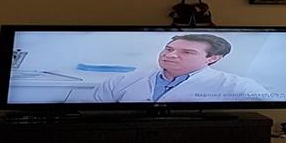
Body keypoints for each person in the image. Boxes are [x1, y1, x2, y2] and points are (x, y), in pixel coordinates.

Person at [92, 34, 271, 103]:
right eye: (169, 49)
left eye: (187, 52)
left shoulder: (238, 86)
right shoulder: (123, 80)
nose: (170, 55)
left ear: (212, 58)